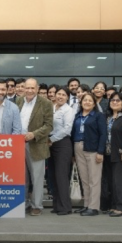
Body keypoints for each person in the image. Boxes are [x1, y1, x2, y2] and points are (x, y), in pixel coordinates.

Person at [16, 78, 54, 216]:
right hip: (18, 145)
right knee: (22, 177)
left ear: (37, 89)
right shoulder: (18, 101)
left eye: (32, 88)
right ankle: (24, 203)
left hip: (36, 144)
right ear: (23, 88)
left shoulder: (46, 103)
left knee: (37, 177)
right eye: (27, 88)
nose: (30, 90)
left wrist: (34, 134)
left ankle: (37, 205)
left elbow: (49, 125)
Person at [72, 93, 106, 216]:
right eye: (85, 100)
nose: (87, 102)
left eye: (90, 101)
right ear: (81, 102)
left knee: (94, 179)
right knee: (84, 179)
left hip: (93, 149)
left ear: (94, 103)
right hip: (78, 147)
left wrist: (100, 151)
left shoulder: (98, 116)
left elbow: (103, 134)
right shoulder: (77, 116)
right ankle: (86, 205)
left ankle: (94, 207)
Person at [49, 87, 75, 215]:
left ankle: (65, 207)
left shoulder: (68, 110)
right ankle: (57, 205)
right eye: (58, 94)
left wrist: (52, 139)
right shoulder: (52, 107)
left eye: (63, 95)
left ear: (67, 97)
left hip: (62, 144)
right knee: (53, 176)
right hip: (50, 144)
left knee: (61, 176)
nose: (60, 96)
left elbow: (66, 129)